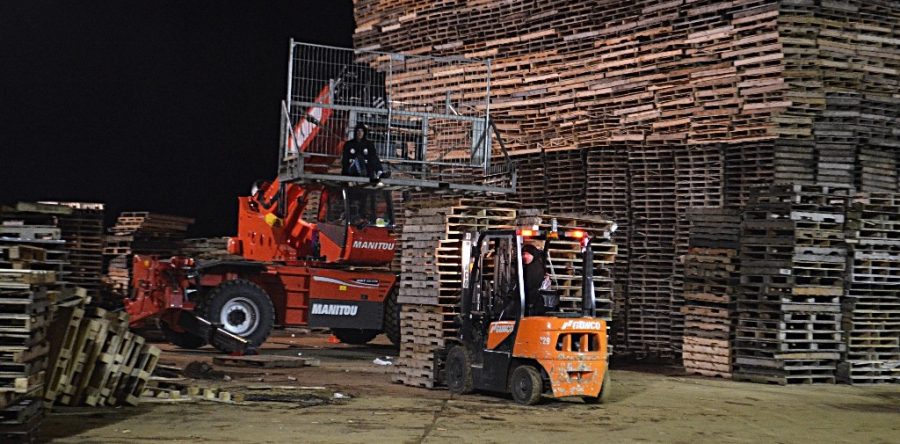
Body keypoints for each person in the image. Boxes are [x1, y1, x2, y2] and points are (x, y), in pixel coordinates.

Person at [522, 244, 550, 316]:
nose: (525, 256)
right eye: (523, 254)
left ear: (533, 255)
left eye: (528, 254)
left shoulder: (534, 268)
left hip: (534, 307)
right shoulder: (532, 266)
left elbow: (528, 286)